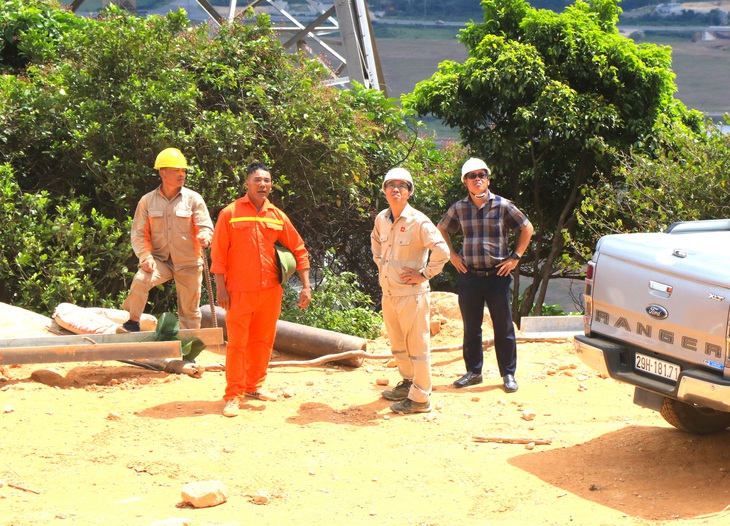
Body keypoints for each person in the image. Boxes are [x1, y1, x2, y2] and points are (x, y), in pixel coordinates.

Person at [210, 162, 312, 418]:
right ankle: (233, 394)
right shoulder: (230, 213)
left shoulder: (276, 216)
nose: (263, 184)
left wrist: (306, 285)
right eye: (258, 180)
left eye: (267, 180)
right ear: (247, 183)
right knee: (236, 344)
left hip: (270, 292)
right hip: (238, 292)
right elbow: (218, 254)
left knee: (263, 341)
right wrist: (221, 288)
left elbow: (299, 248)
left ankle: (253, 387)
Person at [437, 158, 534, 393]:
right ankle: (473, 372)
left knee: (503, 327)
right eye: (472, 176)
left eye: (481, 174)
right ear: (465, 181)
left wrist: (515, 257)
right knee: (471, 327)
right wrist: (451, 255)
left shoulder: (503, 205)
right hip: (469, 276)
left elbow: (527, 227)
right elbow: (440, 229)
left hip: (497, 276)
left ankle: (508, 374)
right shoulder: (459, 208)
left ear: (488, 179)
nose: (477, 179)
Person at [372, 168, 450, 414]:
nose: (396, 189)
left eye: (402, 185)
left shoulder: (419, 221)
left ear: (409, 192)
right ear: (384, 190)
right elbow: (375, 242)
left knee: (417, 346)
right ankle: (407, 383)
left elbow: (443, 252)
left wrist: (424, 274)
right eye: (391, 184)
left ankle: (420, 398)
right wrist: (382, 266)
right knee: (398, 344)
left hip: (412, 295)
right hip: (389, 293)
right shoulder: (381, 220)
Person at [121, 148, 214, 332]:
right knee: (141, 279)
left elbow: (206, 225)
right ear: (162, 173)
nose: (182, 174)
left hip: (188, 262)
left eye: (183, 171)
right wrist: (145, 257)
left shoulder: (193, 199)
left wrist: (206, 236)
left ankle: (189, 352)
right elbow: (139, 234)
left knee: (189, 311)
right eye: (176, 170)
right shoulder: (147, 201)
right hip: (160, 260)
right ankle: (132, 322)